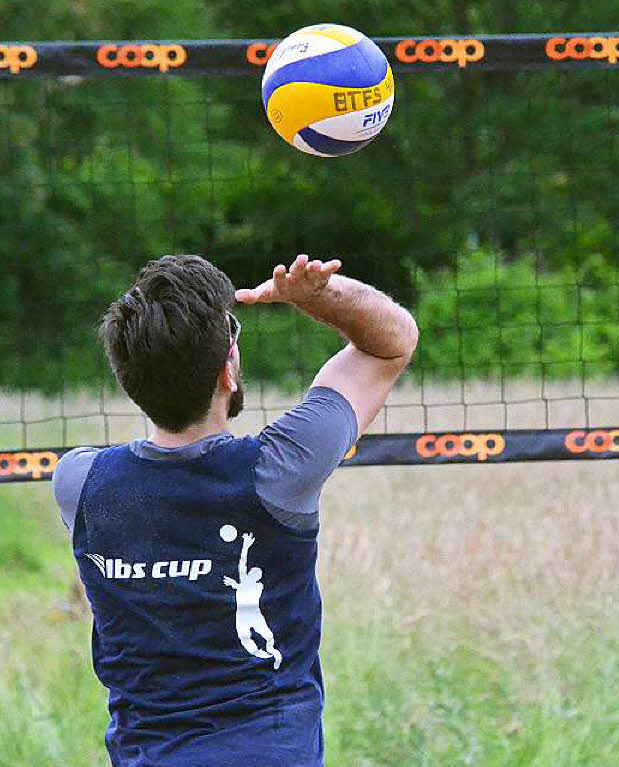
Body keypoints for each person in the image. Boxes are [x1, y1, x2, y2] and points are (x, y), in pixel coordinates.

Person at [52, 253, 417, 766]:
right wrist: (317, 297)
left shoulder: (79, 482)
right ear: (228, 370)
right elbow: (392, 341)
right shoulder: (281, 470)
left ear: (128, 378)